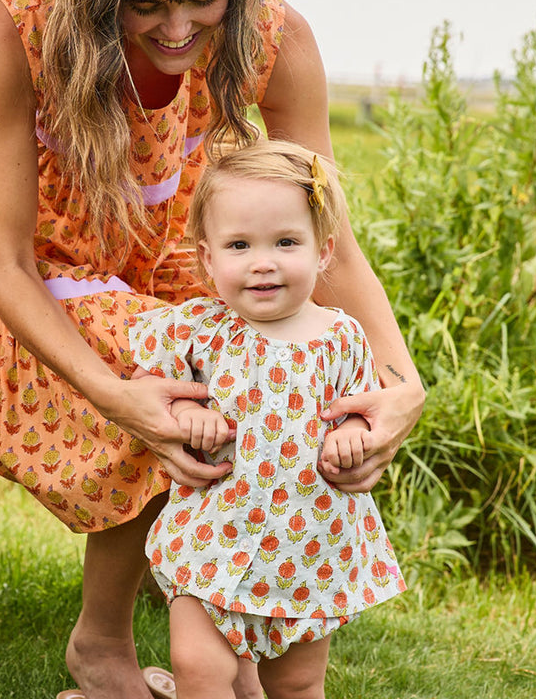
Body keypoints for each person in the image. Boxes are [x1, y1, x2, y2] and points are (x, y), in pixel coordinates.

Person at [0, 0, 424, 697]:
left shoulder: (273, 34)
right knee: (183, 365)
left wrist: (401, 387)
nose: (179, 28)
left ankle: (240, 633)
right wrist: (117, 396)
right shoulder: (19, 23)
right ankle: (102, 645)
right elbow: (5, 262)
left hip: (137, 268)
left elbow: (334, 244)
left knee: (257, 348)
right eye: (146, 5)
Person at [128, 139, 406, 699]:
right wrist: (186, 411)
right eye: (239, 245)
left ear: (323, 251)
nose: (263, 262)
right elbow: (146, 388)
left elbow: (363, 410)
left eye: (286, 242)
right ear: (208, 258)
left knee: (297, 682)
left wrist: (352, 438)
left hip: (308, 550)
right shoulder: (197, 330)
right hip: (212, 538)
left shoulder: (342, 337)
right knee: (198, 665)